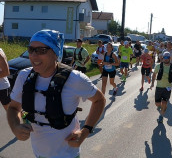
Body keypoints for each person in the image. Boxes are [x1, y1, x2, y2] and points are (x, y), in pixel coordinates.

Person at [7, 29, 106, 158]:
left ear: (55, 53)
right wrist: (15, 126)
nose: (34, 56)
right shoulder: (24, 76)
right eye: (31, 49)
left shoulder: (75, 79)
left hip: (67, 154)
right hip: (38, 154)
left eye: (41, 50)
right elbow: (13, 108)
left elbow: (100, 100)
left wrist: (85, 131)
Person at [150, 51, 172, 123]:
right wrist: (152, 83)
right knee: (157, 104)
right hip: (159, 87)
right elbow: (154, 75)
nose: (166, 59)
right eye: (164, 57)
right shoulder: (158, 66)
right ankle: (161, 107)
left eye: (167, 58)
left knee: (164, 102)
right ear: (162, 58)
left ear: (170, 58)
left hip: (167, 88)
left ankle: (161, 116)